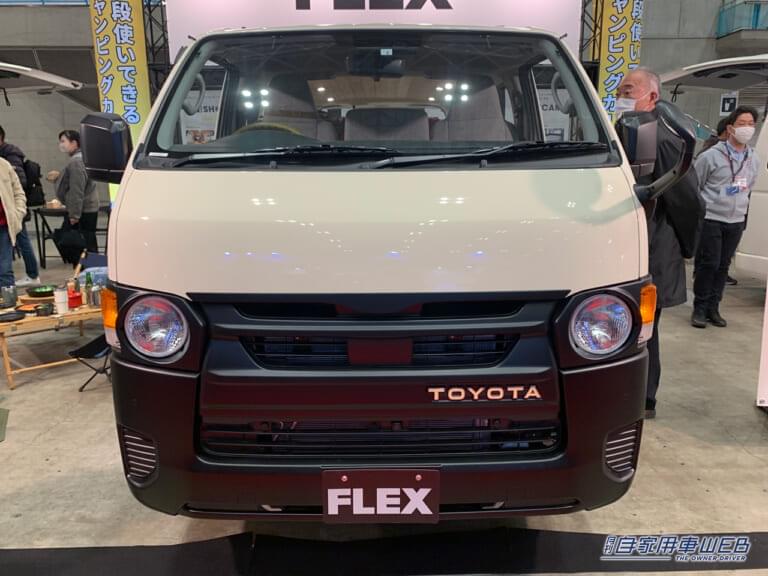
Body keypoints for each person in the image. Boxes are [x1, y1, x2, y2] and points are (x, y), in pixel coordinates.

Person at [616, 68, 704, 419]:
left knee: (646, 327)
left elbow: (688, 201)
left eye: (629, 90)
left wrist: (687, 247)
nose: (622, 96)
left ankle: (644, 398)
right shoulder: (626, 129)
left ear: (652, 96)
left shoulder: (662, 137)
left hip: (655, 247)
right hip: (629, 244)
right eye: (620, 90)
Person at [691, 106, 760, 329]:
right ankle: (700, 308)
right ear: (730, 128)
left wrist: (734, 197)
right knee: (709, 264)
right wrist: (710, 203)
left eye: (751, 124)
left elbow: (749, 185)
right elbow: (696, 185)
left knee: (723, 266)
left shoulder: (753, 158)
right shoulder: (711, 156)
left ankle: (714, 307)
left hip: (736, 219)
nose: (747, 128)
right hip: (712, 217)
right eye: (742, 124)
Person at [0, 125, 41, 286]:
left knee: (5, 269)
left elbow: (19, 189)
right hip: (9, 219)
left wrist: (18, 212)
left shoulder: (6, 161)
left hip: (7, 221)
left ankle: (32, 275)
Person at [51, 130, 99, 254]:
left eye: (63, 141)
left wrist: (74, 215)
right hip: (86, 208)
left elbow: (77, 189)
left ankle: (88, 266)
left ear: (74, 143)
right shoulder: (82, 158)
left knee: (81, 245)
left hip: (83, 210)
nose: (61, 145)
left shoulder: (76, 161)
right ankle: (90, 266)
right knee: (87, 244)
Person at [0, 157, 28, 288]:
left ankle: (8, 299)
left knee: (5, 271)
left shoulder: (4, 165)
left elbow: (18, 192)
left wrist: (18, 213)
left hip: (4, 227)